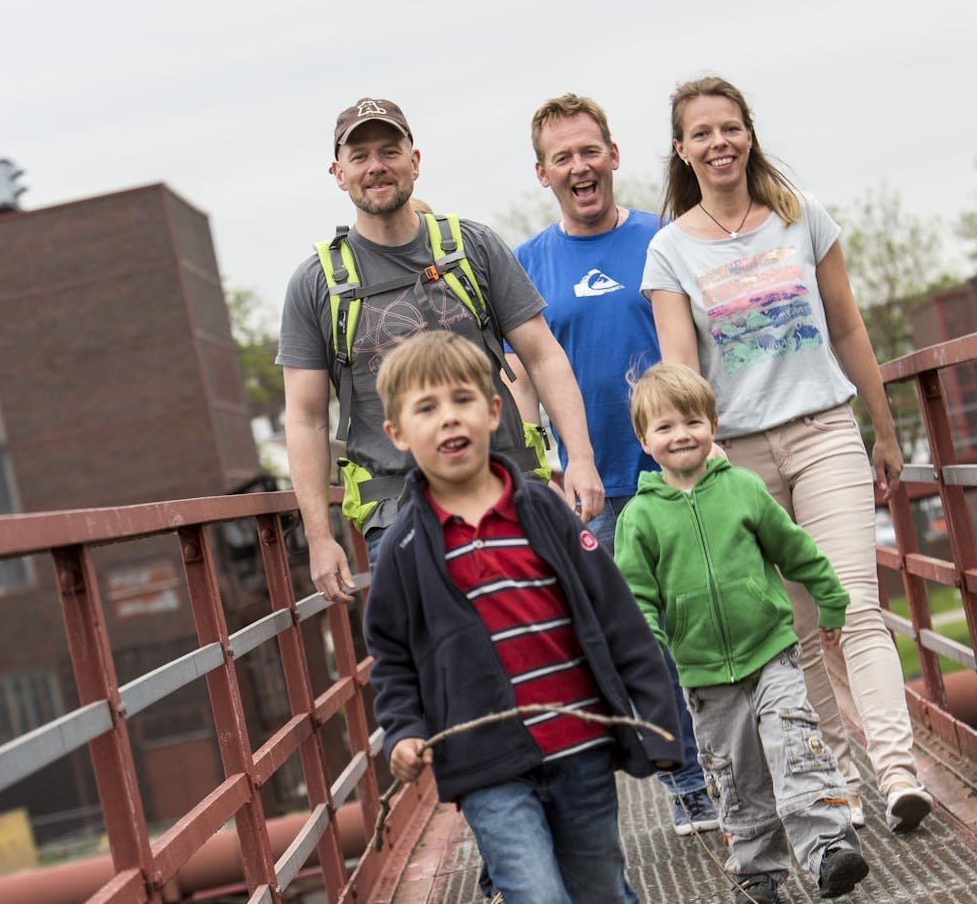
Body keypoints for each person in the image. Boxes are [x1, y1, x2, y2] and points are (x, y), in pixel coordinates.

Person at [642, 74, 933, 834]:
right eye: (702, 133)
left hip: (824, 430)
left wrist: (885, 428)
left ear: (749, 133)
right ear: (681, 149)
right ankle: (835, 777)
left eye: (730, 127)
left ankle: (898, 771)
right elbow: (680, 366)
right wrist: (692, 467)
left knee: (855, 605)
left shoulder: (802, 218)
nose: (719, 143)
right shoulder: (669, 251)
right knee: (795, 627)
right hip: (735, 454)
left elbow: (848, 329)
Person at [363, 331, 683, 904]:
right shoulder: (403, 549)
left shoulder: (541, 509)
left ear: (493, 412)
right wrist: (404, 731)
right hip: (487, 764)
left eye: (463, 400)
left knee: (600, 888)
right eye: (426, 409)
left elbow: (615, 611)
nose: (448, 420)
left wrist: (656, 713)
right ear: (397, 435)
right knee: (535, 894)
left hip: (579, 741)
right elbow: (390, 655)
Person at [275, 96, 604, 603]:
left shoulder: (472, 247)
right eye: (359, 157)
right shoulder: (316, 284)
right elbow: (305, 418)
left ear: (415, 161)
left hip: (510, 497)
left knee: (551, 648)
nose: (376, 167)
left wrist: (579, 458)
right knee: (436, 673)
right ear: (338, 173)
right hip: (398, 519)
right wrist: (319, 539)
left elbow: (543, 355)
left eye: (389, 151)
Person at [504, 93, 717, 838]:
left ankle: (740, 767)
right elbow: (521, 383)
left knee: (707, 623)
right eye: (562, 156)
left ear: (615, 155)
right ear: (542, 173)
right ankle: (692, 782)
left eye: (589, 149)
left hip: (681, 470)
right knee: (644, 640)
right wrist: (544, 476)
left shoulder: (664, 240)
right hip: (593, 492)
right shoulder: (526, 265)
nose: (579, 165)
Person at [615, 362, 869, 903]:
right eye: (664, 427)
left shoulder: (744, 489)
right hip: (704, 674)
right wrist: (643, 657)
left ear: (713, 426)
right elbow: (634, 599)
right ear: (644, 439)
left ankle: (828, 851)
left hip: (771, 651)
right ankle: (758, 871)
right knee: (736, 773)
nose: (680, 435)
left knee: (796, 745)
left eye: (692, 422)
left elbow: (792, 546)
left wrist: (831, 598)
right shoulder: (638, 518)